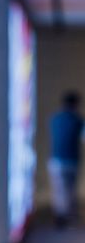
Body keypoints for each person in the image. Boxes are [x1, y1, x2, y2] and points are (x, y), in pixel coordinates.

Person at [48, 90, 84, 228]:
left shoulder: (55, 118)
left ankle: (61, 214)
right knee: (70, 188)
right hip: (72, 159)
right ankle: (68, 213)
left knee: (59, 189)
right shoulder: (78, 120)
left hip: (56, 159)